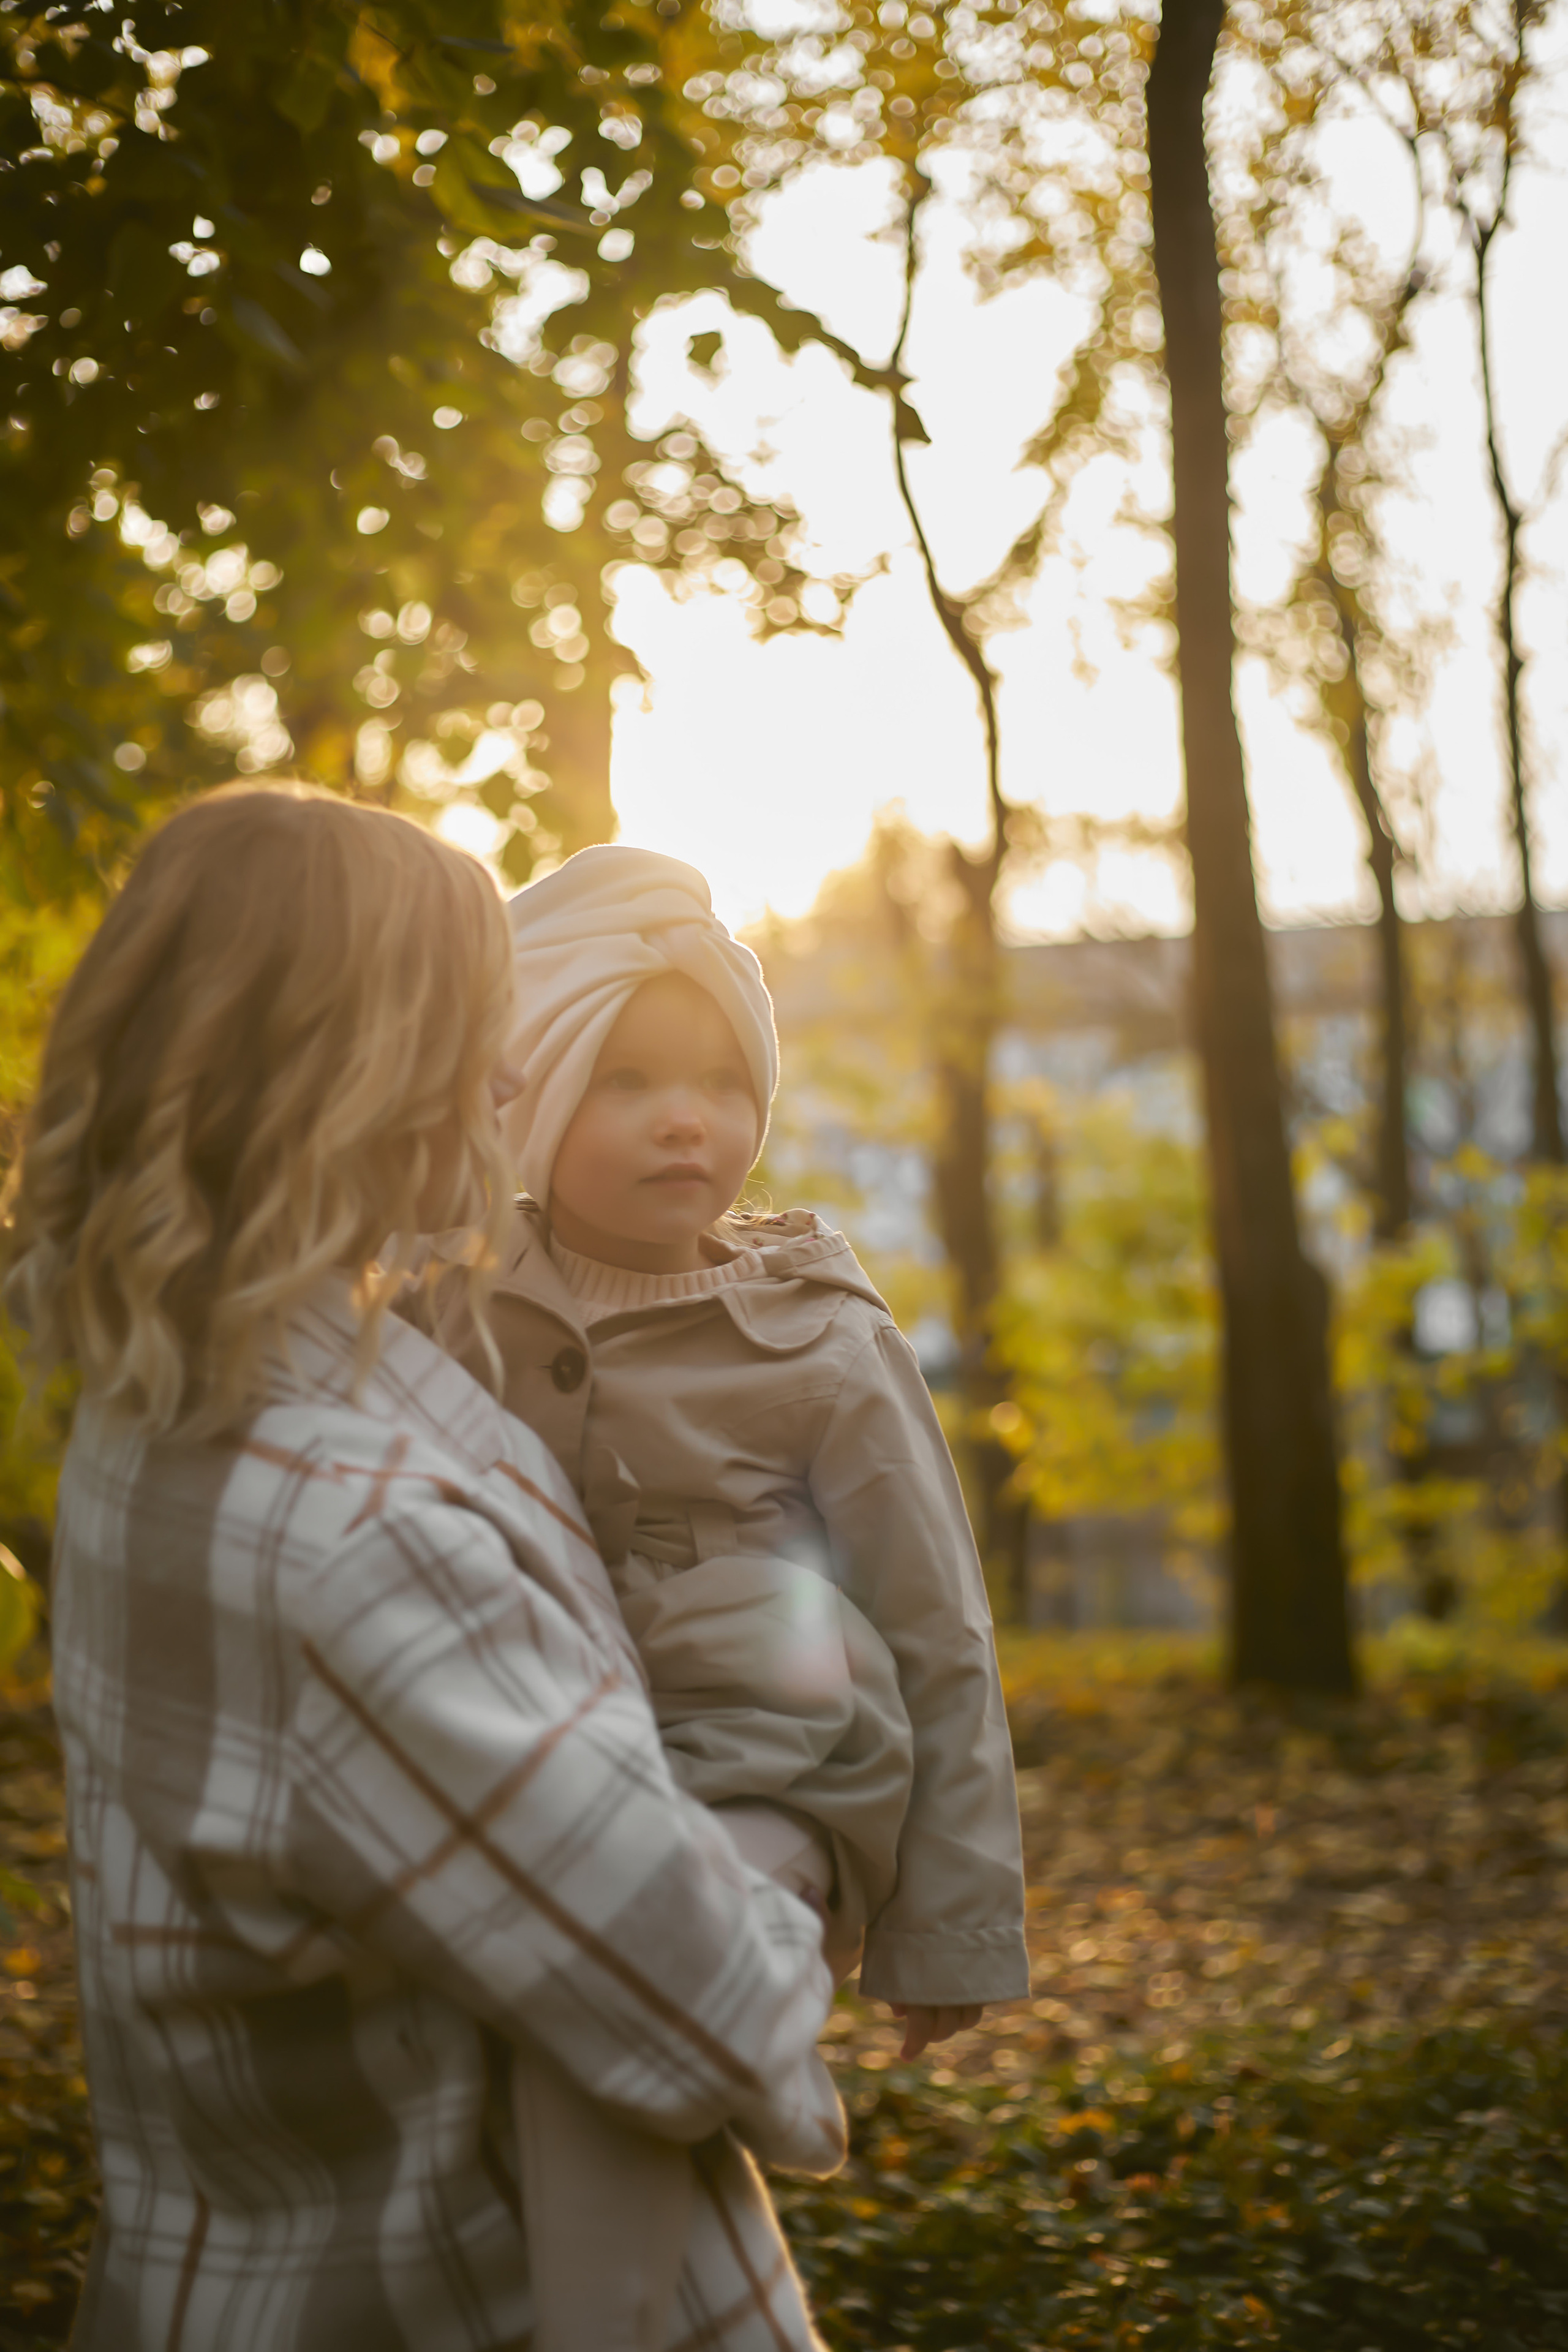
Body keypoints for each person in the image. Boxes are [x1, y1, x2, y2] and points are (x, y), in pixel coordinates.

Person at [4, 788, 843, 2352]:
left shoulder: (148, 1407)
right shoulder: (345, 1534)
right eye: (477, 1023)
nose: (515, 1069)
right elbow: (713, 2006)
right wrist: (786, 1826)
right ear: (353, 1075)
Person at [415, 844, 1029, 2352]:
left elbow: (935, 1623)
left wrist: (946, 1926)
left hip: (777, 1769)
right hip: (549, 1772)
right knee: (543, 2050)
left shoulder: (817, 1336)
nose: (686, 1119)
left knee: (619, 2035)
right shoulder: (449, 1297)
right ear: (528, 1092)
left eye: (719, 1084)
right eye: (624, 1080)